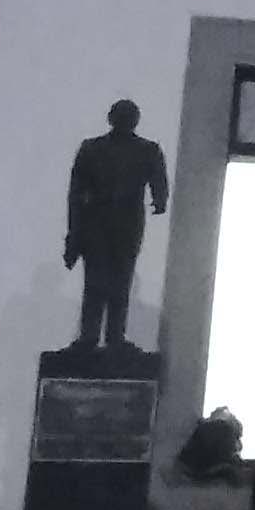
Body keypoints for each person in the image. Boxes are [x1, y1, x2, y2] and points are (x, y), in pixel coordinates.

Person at [62, 97, 168, 359]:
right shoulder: (96, 149)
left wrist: (160, 199)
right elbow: (76, 192)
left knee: (115, 280)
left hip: (120, 223)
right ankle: (96, 336)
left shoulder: (145, 150)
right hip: (101, 223)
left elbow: (159, 181)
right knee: (101, 281)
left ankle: (109, 337)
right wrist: (75, 231)